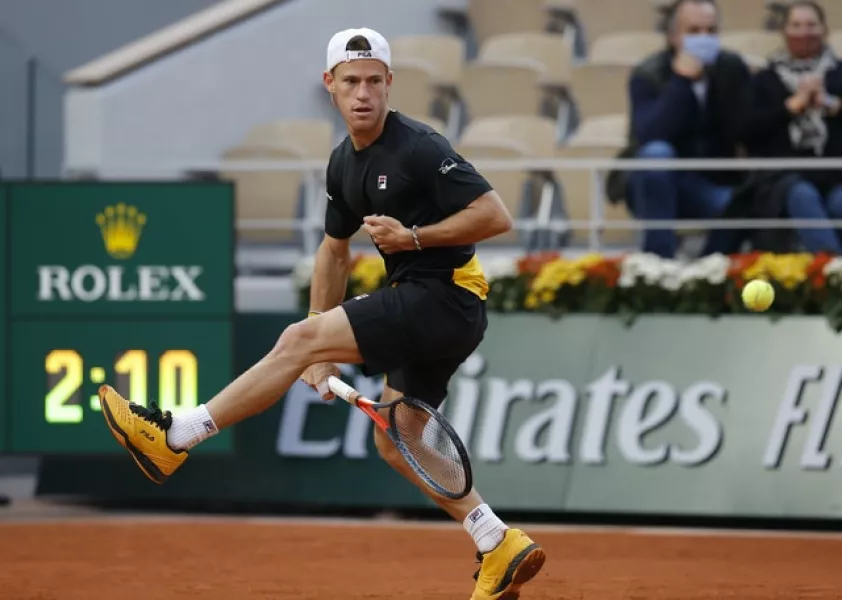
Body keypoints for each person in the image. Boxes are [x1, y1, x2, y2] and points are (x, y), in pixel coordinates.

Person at [96, 27, 546, 600]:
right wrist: (318, 331)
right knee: (397, 440)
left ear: (390, 85)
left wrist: (412, 237)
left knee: (295, 341)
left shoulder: (419, 147)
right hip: (435, 310)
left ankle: (177, 435)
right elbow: (334, 251)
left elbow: (495, 214)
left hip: (444, 297)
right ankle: (496, 540)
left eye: (375, 82)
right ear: (329, 86)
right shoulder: (343, 165)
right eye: (352, 82)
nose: (364, 94)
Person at [616, 0, 751, 258]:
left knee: (742, 201)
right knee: (656, 153)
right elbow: (650, 135)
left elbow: (745, 128)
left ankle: (708, 273)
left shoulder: (731, 68)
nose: (704, 38)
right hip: (657, 182)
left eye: (711, 31)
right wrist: (681, 82)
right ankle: (659, 265)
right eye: (694, 31)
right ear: (673, 36)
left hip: (712, 182)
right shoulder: (648, 73)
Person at [740, 0, 842, 254]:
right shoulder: (764, 80)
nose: (804, 33)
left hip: (835, 175)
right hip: (781, 180)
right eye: (796, 25)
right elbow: (747, 133)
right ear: (784, 32)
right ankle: (833, 274)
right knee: (802, 195)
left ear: (824, 30)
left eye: (811, 25)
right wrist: (790, 107)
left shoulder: (839, 74)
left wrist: (830, 104)